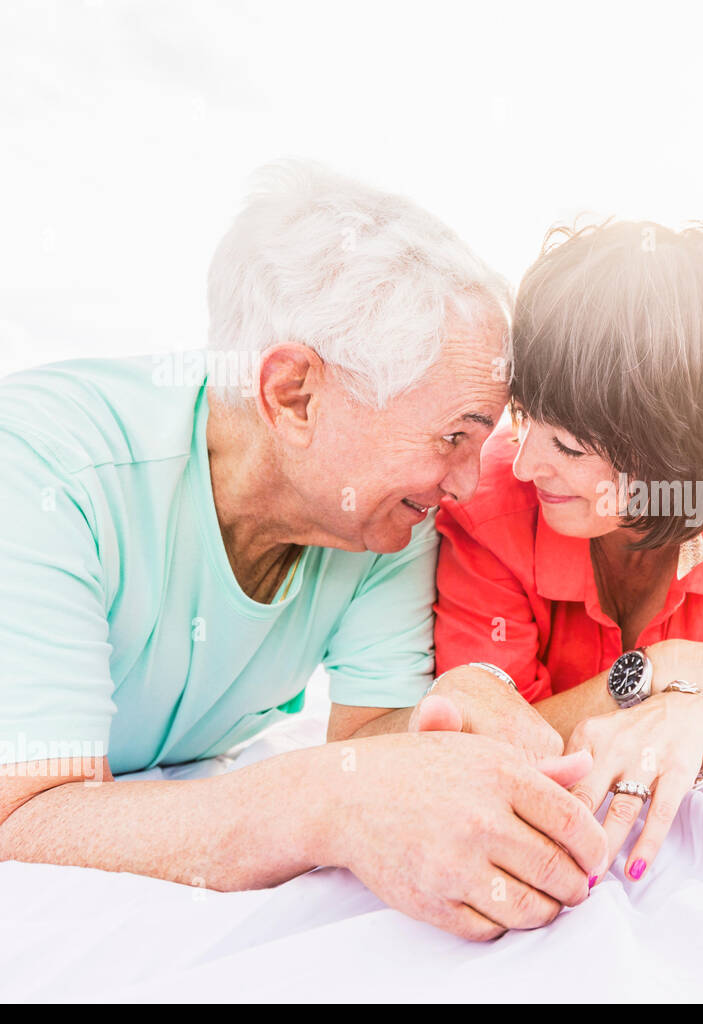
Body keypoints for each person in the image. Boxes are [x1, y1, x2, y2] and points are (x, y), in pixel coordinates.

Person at [0, 161, 606, 941]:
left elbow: (363, 738)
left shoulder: (383, 521)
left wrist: (457, 705)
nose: (467, 485)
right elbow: (26, 816)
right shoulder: (45, 471)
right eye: (454, 436)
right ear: (294, 394)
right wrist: (324, 804)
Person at [434, 220, 703, 886]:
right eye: (524, 417)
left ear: (676, 458)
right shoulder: (488, 512)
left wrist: (698, 721)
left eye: (568, 448)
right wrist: (666, 667)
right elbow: (502, 735)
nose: (522, 463)